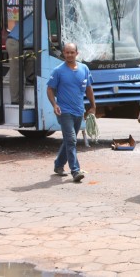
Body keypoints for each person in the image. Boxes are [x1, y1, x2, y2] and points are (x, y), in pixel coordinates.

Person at [47, 43, 96, 183]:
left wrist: (93, 106)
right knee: (71, 140)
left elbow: (89, 89)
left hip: (79, 111)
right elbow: (49, 89)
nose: (69, 55)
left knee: (69, 141)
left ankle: (58, 165)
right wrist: (54, 104)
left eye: (72, 52)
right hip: (64, 111)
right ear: (63, 53)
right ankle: (75, 170)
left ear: (77, 53)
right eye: (67, 52)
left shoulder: (84, 69)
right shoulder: (58, 71)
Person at [6, 13, 34, 104]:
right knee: (16, 72)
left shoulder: (33, 17)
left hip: (18, 42)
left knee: (31, 56)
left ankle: (30, 79)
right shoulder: (40, 21)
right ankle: (16, 100)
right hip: (15, 42)